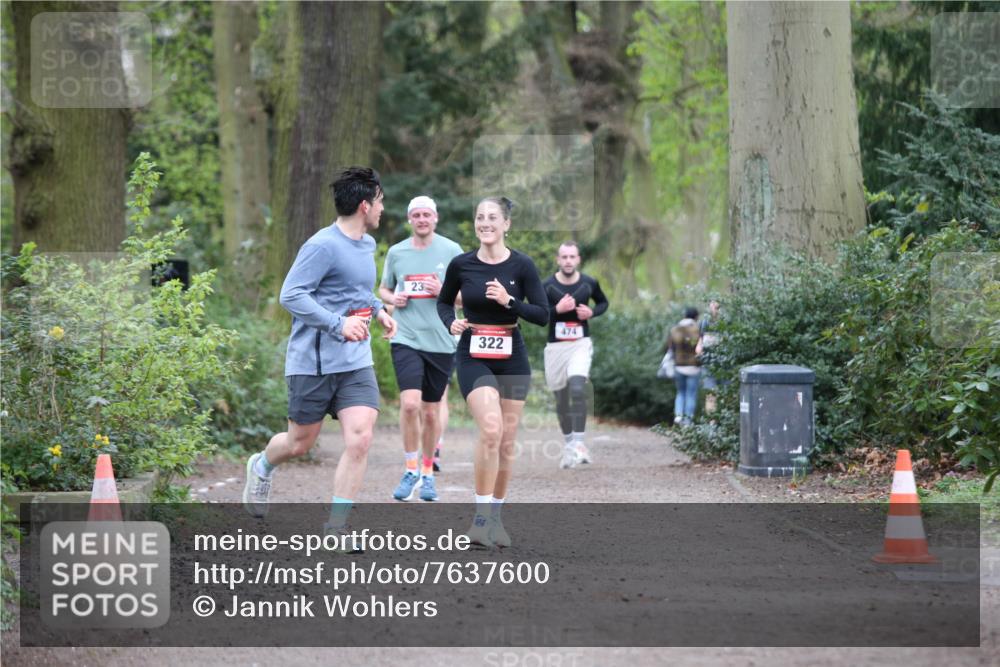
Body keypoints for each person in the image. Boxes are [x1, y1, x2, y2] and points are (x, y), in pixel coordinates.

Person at [243, 167, 397, 549]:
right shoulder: (321, 246)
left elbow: (356, 289)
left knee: (360, 438)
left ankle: (337, 527)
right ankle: (261, 465)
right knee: (299, 443)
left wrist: (378, 309)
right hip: (312, 363)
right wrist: (337, 325)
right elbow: (290, 295)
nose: (383, 209)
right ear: (365, 205)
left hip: (355, 363)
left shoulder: (366, 245)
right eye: (379, 202)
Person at [436, 197, 548, 548]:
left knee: (506, 442)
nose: (485, 223)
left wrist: (509, 302)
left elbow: (543, 314)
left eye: (492, 218)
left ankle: (496, 520)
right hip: (473, 354)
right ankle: (480, 520)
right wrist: (450, 322)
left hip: (512, 355)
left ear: (506, 225)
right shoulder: (461, 264)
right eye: (480, 217)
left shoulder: (522, 266)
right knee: (490, 429)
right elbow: (443, 301)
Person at [379, 195, 463, 502]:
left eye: (427, 214)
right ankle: (410, 467)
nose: (422, 219)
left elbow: (469, 297)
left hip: (441, 339)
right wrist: (392, 300)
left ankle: (428, 473)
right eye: (417, 215)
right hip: (406, 336)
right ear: (410, 219)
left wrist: (444, 293)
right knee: (410, 404)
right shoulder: (397, 252)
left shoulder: (452, 250)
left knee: (430, 412)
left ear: (435, 218)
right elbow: (385, 288)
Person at [542, 241, 608, 469]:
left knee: (578, 389)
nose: (568, 261)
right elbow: (537, 314)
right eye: (564, 257)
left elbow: (603, 303)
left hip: (580, 344)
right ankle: (569, 445)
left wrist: (591, 312)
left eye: (572, 257)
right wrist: (556, 311)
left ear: (578, 259)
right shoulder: (547, 285)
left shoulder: (589, 283)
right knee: (561, 400)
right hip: (555, 349)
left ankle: (579, 444)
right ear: (558, 260)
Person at [664, 307, 701, 426]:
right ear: (696, 317)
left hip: (678, 366)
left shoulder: (675, 329)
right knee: (691, 393)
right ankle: (688, 420)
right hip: (694, 367)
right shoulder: (698, 329)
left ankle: (678, 416)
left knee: (680, 392)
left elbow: (669, 347)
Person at [696, 299, 721, 414]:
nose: (714, 309)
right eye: (712, 306)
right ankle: (712, 422)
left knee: (725, 392)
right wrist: (699, 349)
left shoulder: (727, 322)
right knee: (711, 392)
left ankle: (724, 420)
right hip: (708, 362)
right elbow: (700, 341)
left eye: (716, 307)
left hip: (724, 363)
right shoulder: (704, 322)